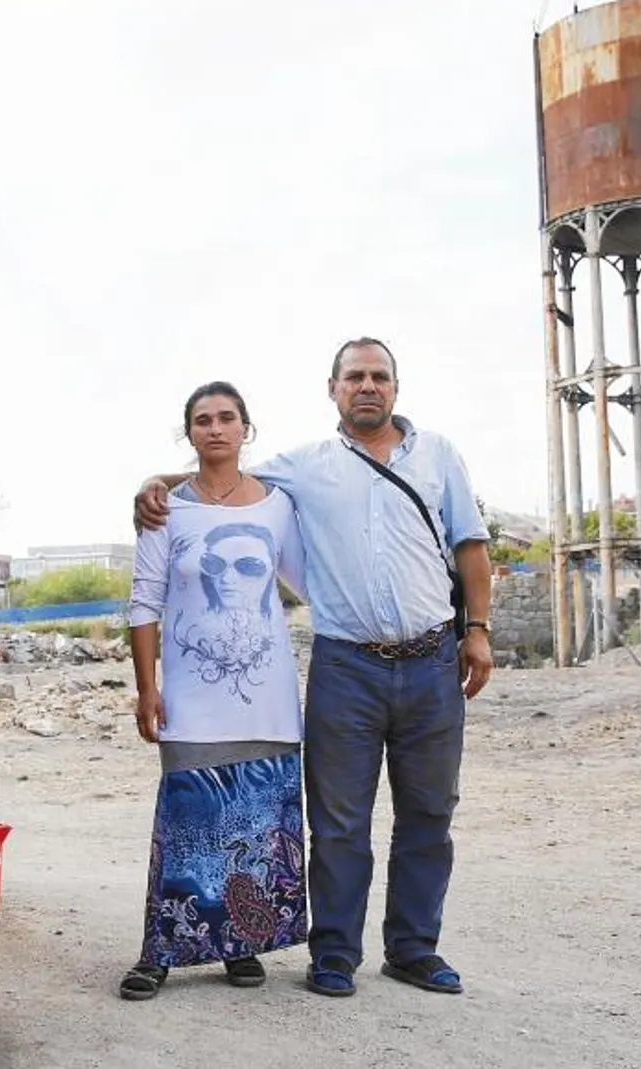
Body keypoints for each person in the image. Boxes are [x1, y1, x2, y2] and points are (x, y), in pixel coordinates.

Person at [133, 338, 494, 999]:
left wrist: (478, 629)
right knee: (338, 820)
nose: (367, 386)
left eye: (378, 376)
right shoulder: (301, 467)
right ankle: (335, 953)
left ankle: (414, 949)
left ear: (396, 387)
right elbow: (219, 470)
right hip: (346, 667)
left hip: (431, 661)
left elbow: (470, 544)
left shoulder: (441, 455)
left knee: (429, 812)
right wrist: (152, 486)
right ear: (332, 388)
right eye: (353, 376)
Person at [119, 381, 310, 1001]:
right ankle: (162, 952)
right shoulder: (164, 508)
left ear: (246, 429)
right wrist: (146, 688)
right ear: (190, 433)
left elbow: (315, 584)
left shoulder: (280, 506)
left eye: (227, 418)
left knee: (256, 828)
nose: (216, 428)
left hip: (268, 701)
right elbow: (144, 600)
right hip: (191, 700)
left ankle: (240, 945)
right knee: (188, 824)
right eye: (203, 420)